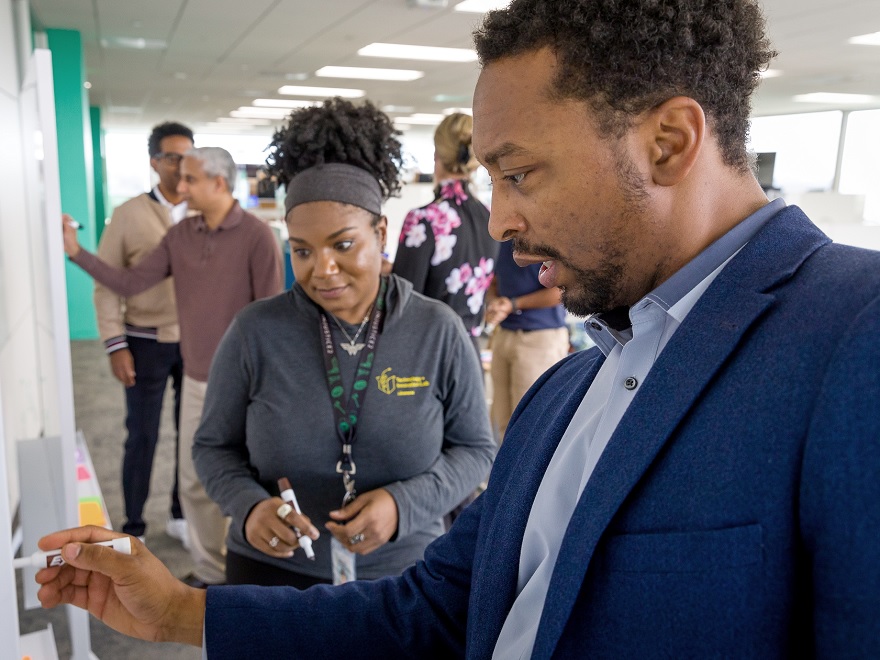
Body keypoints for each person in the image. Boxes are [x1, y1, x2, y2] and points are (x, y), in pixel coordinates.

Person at [36, 0, 880, 656]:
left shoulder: (854, 335)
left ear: (667, 142)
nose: (500, 218)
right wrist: (185, 613)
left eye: (519, 172)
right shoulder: (567, 391)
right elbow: (441, 611)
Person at [192, 97, 496, 589]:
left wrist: (404, 505)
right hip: (273, 572)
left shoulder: (437, 330)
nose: (322, 269)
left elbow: (476, 450)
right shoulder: (255, 332)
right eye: (303, 251)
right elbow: (213, 447)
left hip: (403, 574)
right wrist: (248, 509)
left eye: (343, 244)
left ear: (380, 233)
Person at [62, 146, 283, 588]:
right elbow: (131, 282)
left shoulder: (258, 237)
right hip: (199, 379)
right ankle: (209, 572)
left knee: (249, 481)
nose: (179, 188)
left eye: (189, 180)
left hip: (251, 385)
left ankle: (248, 571)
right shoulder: (181, 235)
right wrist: (76, 253)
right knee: (193, 480)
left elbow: (273, 320)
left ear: (219, 183)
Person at [95, 121, 191, 544]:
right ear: (154, 162)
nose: (181, 165)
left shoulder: (205, 211)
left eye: (189, 155)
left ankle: (181, 513)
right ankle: (133, 524)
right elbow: (107, 284)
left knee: (193, 432)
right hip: (144, 342)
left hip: (196, 342)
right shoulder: (129, 214)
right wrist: (116, 345)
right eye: (172, 157)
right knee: (144, 435)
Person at [392, 112, 498, 356]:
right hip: (469, 353)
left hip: (428, 354)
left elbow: (403, 302)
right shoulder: (489, 217)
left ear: (436, 156)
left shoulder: (423, 220)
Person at [484, 239, 569, 441]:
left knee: (531, 428)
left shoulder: (550, 235)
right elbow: (494, 281)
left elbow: (563, 290)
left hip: (539, 338)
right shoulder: (503, 239)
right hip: (504, 334)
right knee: (501, 424)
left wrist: (514, 304)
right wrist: (495, 303)